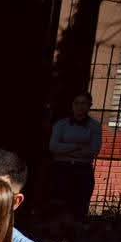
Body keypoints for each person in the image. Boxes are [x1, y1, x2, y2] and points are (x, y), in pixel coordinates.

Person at [48, 91, 103, 225]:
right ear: (72, 105)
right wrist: (78, 146)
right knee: (59, 205)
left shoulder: (94, 126)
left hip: (82, 170)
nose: (80, 106)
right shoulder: (61, 124)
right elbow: (54, 146)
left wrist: (65, 148)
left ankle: (75, 238)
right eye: (76, 103)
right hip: (62, 169)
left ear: (90, 105)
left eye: (83, 103)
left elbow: (93, 151)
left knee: (79, 206)